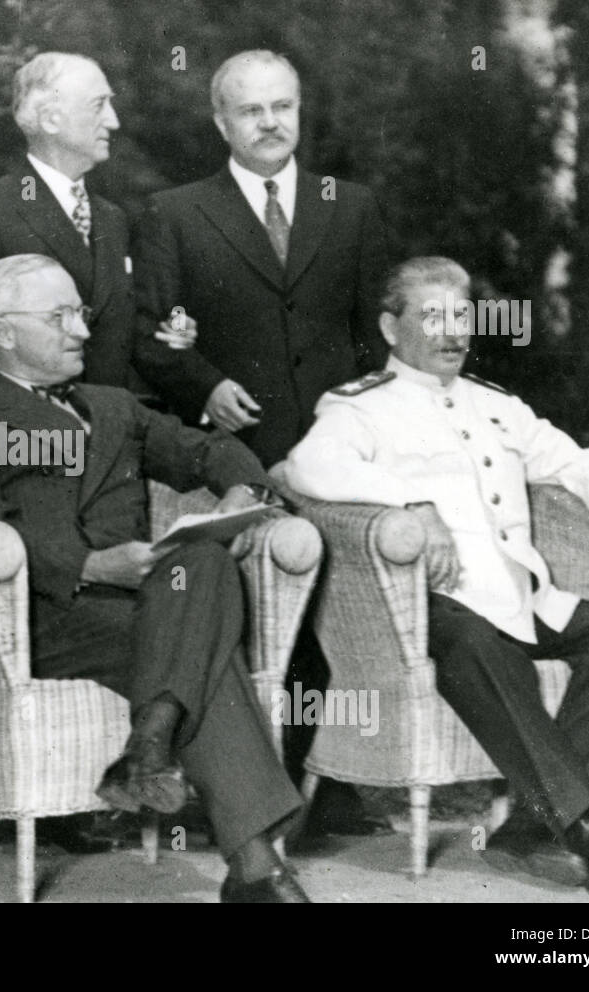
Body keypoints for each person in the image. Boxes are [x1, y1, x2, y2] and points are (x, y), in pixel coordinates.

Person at [0, 254, 310, 902]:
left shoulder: (114, 406)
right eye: (60, 316)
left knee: (205, 559)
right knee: (206, 649)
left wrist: (243, 488)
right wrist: (90, 565)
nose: (81, 331)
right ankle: (254, 866)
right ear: (5, 332)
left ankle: (152, 743)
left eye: (81, 313)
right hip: (43, 616)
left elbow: (208, 448)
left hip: (148, 605)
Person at [276, 256, 589, 897]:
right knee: (478, 646)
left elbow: (569, 456)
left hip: (520, 595)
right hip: (432, 603)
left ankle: (528, 823)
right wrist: (407, 501)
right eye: (432, 316)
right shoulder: (361, 408)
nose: (452, 332)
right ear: (389, 326)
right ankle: (580, 830)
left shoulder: (497, 405)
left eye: (461, 315)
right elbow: (305, 467)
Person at [132, 50, 392, 835]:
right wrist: (204, 384)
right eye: (252, 111)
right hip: (236, 451)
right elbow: (153, 338)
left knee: (341, 603)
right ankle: (256, 790)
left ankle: (332, 778)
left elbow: (375, 335)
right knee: (254, 608)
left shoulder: (350, 206)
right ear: (221, 122)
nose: (272, 123)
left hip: (335, 445)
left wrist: (364, 415)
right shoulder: (176, 213)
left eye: (284, 107)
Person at [0, 52, 173, 394]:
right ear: (50, 119)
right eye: (99, 105)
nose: (113, 121)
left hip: (111, 432)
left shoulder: (112, 218)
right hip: (28, 437)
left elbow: (124, 340)